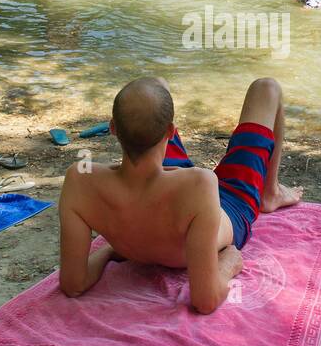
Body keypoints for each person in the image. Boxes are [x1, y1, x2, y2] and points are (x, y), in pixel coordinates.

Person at [57, 77, 302, 314]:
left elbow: (73, 284)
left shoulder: (80, 180)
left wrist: (110, 250)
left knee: (155, 84)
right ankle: (269, 193)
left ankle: (269, 192)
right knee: (266, 88)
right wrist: (228, 264)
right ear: (171, 132)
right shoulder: (201, 183)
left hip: (172, 188)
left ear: (112, 128)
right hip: (226, 205)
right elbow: (205, 301)